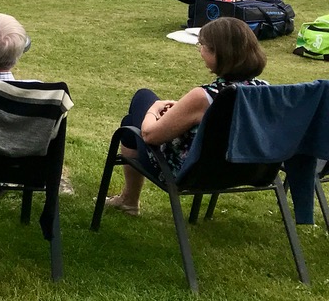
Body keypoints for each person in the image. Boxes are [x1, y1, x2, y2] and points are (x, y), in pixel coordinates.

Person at [103, 17, 267, 216]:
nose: (200, 50)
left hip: (190, 173)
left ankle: (129, 201)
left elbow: (149, 135)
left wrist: (154, 110)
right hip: (247, 169)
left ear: (220, 53)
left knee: (140, 105)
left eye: (203, 45)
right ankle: (128, 200)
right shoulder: (264, 90)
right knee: (132, 123)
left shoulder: (203, 97)